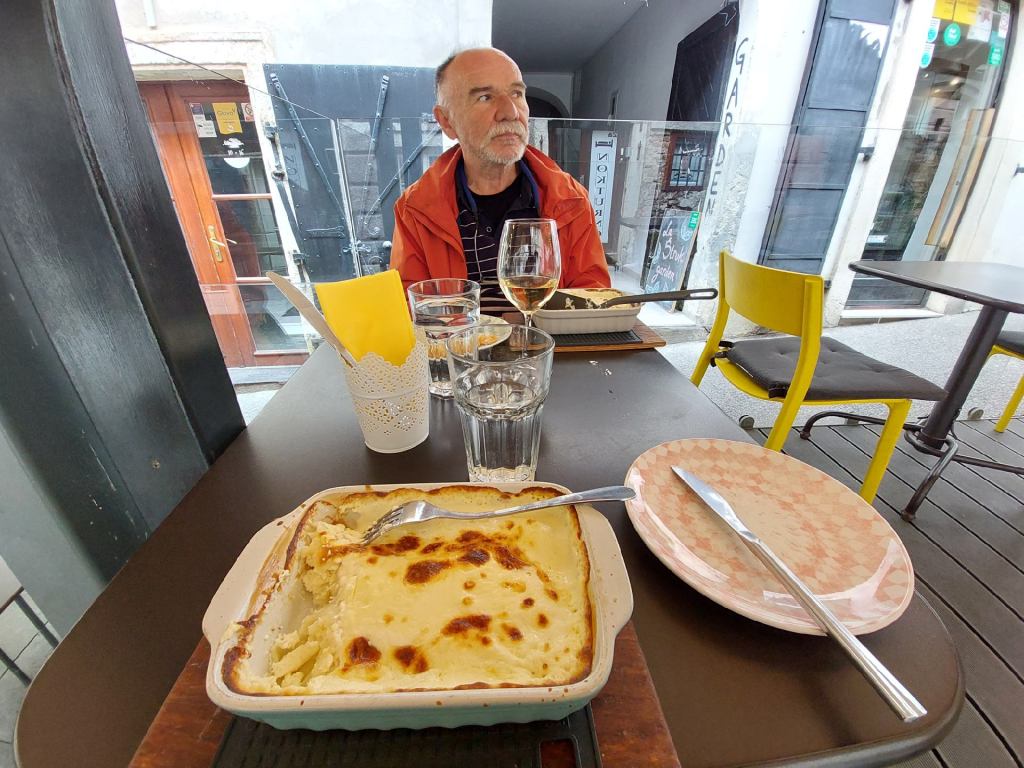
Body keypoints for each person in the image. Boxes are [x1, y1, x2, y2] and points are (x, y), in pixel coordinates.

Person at [390, 47, 611, 314]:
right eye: (485, 97)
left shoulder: (570, 199)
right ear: (447, 121)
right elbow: (410, 308)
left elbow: (592, 300)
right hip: (458, 341)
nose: (510, 112)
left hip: (550, 341)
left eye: (517, 94)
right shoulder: (416, 209)